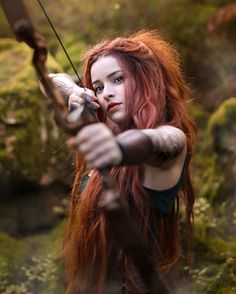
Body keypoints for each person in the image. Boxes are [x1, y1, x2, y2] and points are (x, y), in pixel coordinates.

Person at [61, 30, 197, 294]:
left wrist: (115, 148)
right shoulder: (113, 130)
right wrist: (75, 92)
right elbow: (51, 79)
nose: (106, 94)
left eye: (118, 79)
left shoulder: (171, 138)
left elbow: (155, 140)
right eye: (99, 87)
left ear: (146, 80)